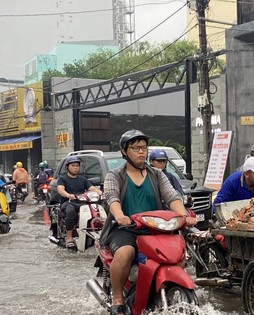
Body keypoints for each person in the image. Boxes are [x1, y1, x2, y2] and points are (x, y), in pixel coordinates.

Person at [98, 129, 196, 315]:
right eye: (135, 148)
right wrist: (120, 216)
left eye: (144, 147)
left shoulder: (157, 175)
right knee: (126, 252)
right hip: (126, 228)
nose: (141, 152)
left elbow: (172, 197)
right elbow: (112, 198)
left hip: (155, 228)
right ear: (124, 152)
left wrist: (184, 216)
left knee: (177, 255)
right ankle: (118, 297)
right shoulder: (115, 175)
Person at [56, 156, 103, 249]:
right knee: (70, 212)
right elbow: (60, 189)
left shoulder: (82, 179)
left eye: (77, 165)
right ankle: (69, 238)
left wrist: (101, 193)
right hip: (68, 202)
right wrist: (68, 195)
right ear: (67, 167)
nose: (75, 167)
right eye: (73, 165)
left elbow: (92, 188)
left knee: (97, 211)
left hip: (82, 203)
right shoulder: (62, 179)